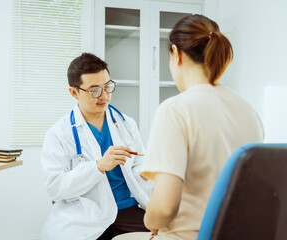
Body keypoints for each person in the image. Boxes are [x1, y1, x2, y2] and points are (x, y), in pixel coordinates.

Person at [113, 14, 264, 240]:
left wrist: (150, 222)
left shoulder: (175, 110)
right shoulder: (248, 111)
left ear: (176, 53)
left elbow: (164, 208)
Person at [40, 53, 152, 240]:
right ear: (74, 92)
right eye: (94, 90)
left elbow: (138, 165)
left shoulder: (126, 123)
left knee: (167, 235)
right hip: (84, 214)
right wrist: (98, 166)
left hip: (126, 208)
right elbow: (55, 187)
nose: (104, 96)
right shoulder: (59, 133)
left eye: (107, 86)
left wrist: (147, 171)